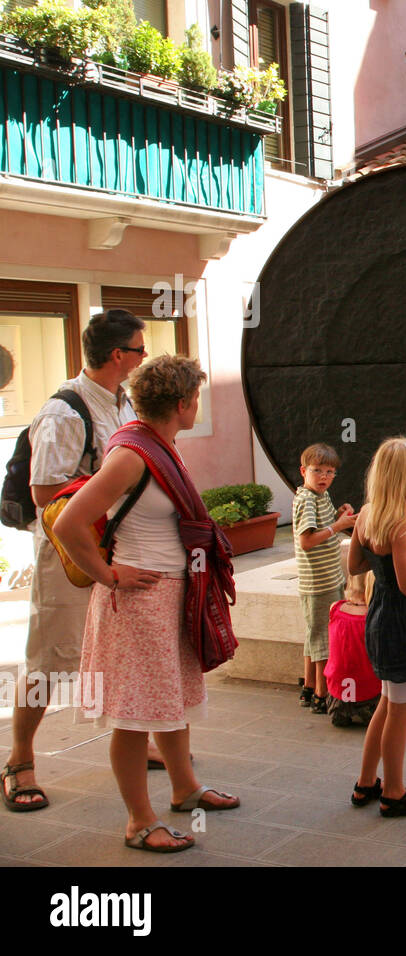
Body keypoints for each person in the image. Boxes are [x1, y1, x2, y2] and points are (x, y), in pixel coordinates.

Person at [52, 355, 239, 852]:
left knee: (171, 703)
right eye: (196, 397)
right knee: (134, 717)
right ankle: (139, 821)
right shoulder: (132, 456)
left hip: (170, 597)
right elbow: (68, 524)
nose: (198, 405)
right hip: (138, 604)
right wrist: (110, 575)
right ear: (182, 404)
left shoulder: (160, 445)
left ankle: (185, 789)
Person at [3, 310, 177, 813]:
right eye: (141, 350)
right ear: (118, 355)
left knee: (122, 651)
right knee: (50, 660)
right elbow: (42, 492)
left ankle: (135, 741)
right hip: (69, 556)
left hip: (112, 550)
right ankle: (19, 760)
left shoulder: (123, 403)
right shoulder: (64, 412)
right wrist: (108, 484)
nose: (146, 357)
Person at [347, 437, 406, 817]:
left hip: (379, 616)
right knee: (400, 712)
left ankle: (365, 782)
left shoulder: (368, 514)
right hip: (403, 624)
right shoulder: (402, 525)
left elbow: (355, 565)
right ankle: (394, 792)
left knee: (387, 704)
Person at [293, 443, 355, 714]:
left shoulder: (321, 496)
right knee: (323, 639)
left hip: (327, 577)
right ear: (304, 471)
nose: (324, 477)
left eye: (330, 472)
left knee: (314, 633)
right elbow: (307, 540)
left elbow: (323, 528)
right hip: (318, 582)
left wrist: (338, 517)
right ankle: (321, 693)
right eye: (317, 471)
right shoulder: (306, 499)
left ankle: (309, 687)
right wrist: (339, 526)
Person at [325, 571, 381, 727]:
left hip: (337, 680)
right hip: (366, 680)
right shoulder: (372, 616)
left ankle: (341, 709)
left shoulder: (335, 608)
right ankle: (365, 708)